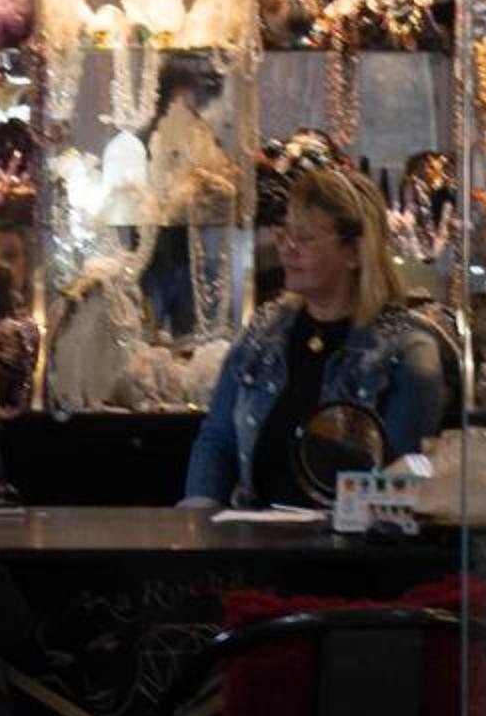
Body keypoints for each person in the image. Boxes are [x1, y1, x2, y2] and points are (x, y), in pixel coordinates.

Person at [180, 162, 446, 508]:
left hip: (348, 540)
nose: (287, 249)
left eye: (304, 239)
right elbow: (217, 442)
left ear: (355, 251)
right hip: (252, 535)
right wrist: (199, 515)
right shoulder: (263, 331)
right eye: (285, 234)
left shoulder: (408, 350)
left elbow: (399, 481)